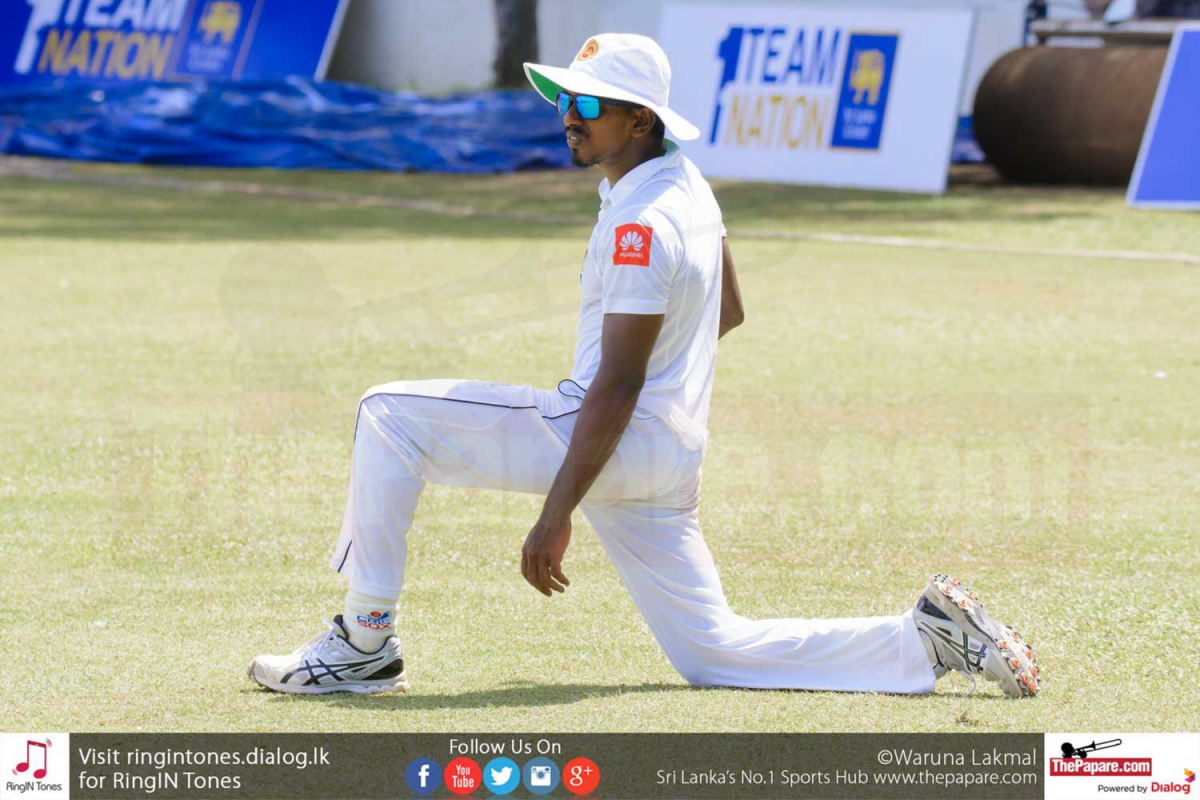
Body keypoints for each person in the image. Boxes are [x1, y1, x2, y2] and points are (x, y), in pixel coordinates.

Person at [247, 34, 1040, 699]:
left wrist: (557, 513)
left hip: (611, 436)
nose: (569, 116)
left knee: (388, 413)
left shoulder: (643, 223)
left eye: (589, 105)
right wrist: (664, 399)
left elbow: (620, 380)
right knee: (712, 652)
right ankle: (924, 639)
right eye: (566, 99)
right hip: (668, 452)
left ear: (639, 120)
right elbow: (728, 309)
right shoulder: (685, 186)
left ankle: (364, 643)